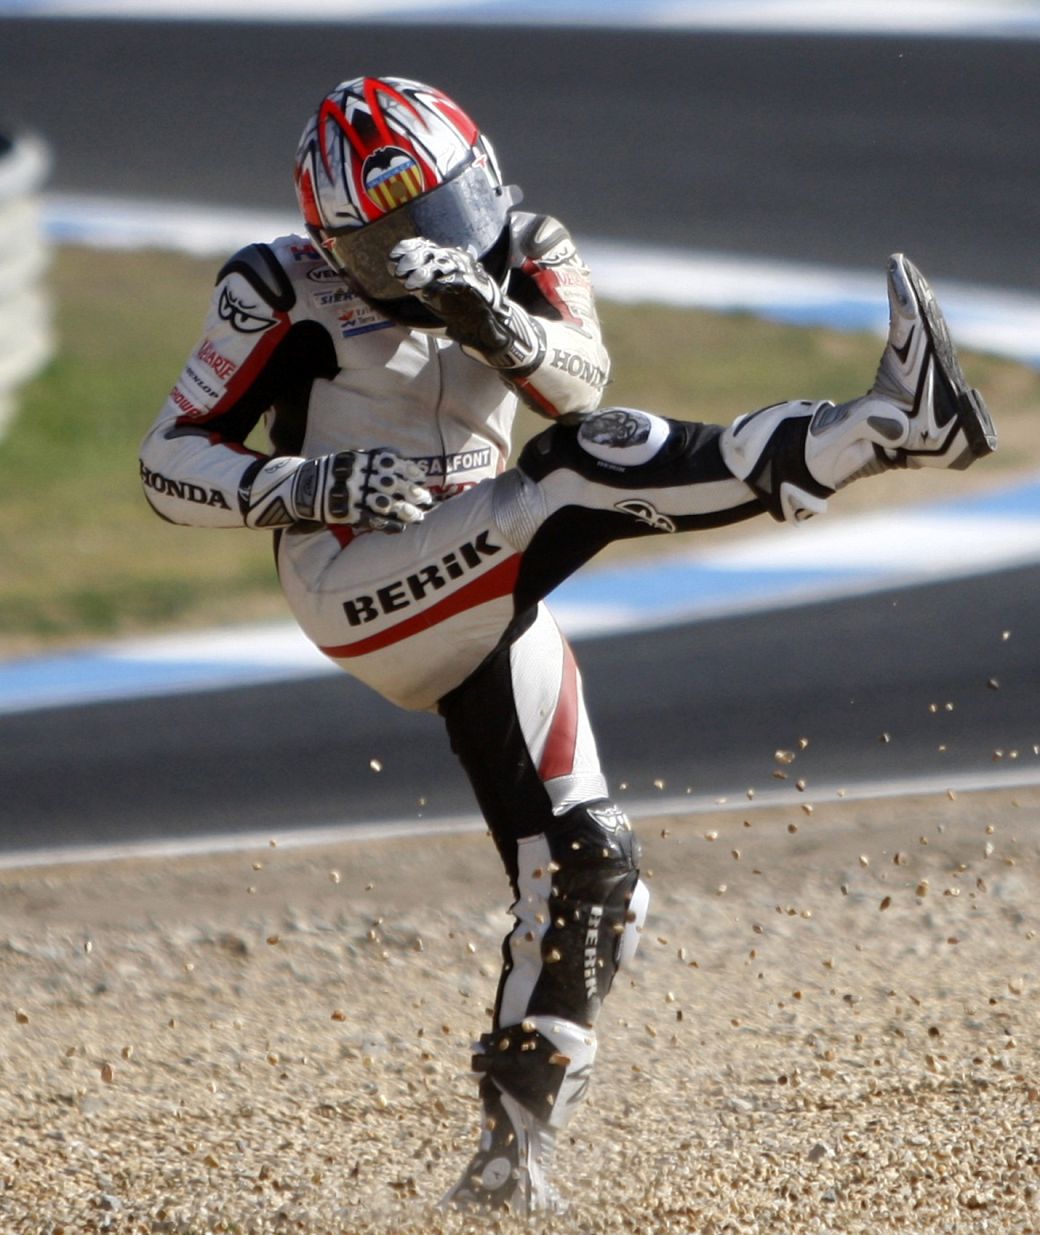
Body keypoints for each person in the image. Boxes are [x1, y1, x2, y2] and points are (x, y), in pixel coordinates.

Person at [138, 75, 995, 1217]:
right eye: (386, 240)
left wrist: (488, 309)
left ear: (480, 174)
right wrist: (311, 478)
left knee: (590, 868)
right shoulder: (275, 286)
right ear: (333, 238)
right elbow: (167, 461)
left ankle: (510, 1152)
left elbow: (573, 376)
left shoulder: (530, 245)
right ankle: (876, 430)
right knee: (577, 468)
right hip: (354, 579)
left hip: (483, 565)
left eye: (437, 214)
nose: (423, 251)